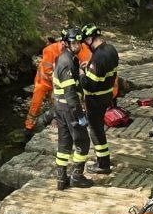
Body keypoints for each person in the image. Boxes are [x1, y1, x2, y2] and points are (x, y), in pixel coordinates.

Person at [25, 30, 92, 133]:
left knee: (58, 101)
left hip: (59, 81)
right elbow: (47, 71)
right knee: (36, 104)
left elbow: (86, 61)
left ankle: (56, 118)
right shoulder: (49, 50)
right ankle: (29, 127)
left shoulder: (79, 48)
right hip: (43, 82)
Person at [53, 26, 93, 191]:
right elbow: (70, 93)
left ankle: (61, 179)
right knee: (83, 142)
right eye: (73, 43)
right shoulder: (67, 62)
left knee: (64, 144)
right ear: (66, 43)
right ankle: (77, 177)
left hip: (61, 108)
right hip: (69, 109)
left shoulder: (66, 58)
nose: (77, 46)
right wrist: (80, 115)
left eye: (78, 43)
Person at [80, 25, 120, 176]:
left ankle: (103, 164)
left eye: (86, 42)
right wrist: (89, 67)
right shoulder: (111, 49)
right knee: (99, 129)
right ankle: (104, 161)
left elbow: (90, 84)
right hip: (107, 95)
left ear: (90, 39)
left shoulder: (98, 57)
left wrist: (81, 74)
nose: (86, 45)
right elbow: (105, 73)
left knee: (96, 131)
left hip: (95, 99)